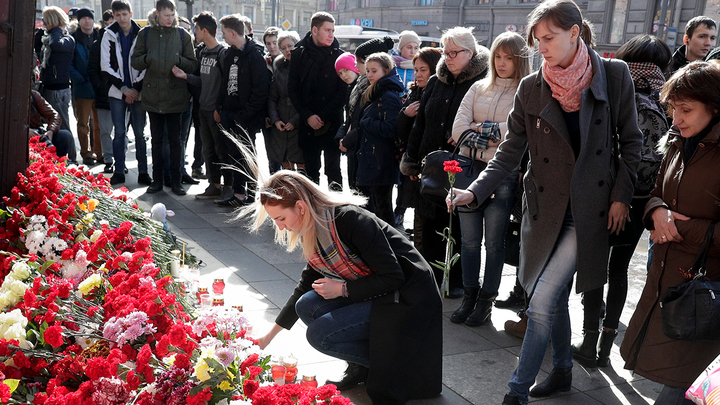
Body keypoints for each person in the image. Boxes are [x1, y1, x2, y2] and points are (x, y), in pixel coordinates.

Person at [447, 1, 642, 403]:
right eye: (538, 41)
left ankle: (515, 391)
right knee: (547, 297)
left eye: (549, 38)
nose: (543, 48)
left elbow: (632, 143)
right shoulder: (532, 86)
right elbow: (509, 152)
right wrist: (475, 190)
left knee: (539, 302)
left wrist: (622, 195)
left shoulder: (613, 75)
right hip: (543, 208)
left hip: (588, 210)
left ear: (575, 32)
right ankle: (564, 371)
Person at [250, 170, 442, 404]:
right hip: (379, 290)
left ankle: (397, 363)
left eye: (281, 219)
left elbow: (394, 277)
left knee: (320, 335)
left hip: (408, 297)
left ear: (300, 206)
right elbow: (304, 286)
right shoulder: (315, 225)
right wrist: (268, 337)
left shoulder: (349, 219)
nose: (280, 227)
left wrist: (343, 290)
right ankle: (362, 366)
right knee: (307, 305)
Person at [620, 60, 720, 405]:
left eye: (686, 109)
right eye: (673, 109)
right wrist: (657, 212)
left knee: (679, 389)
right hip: (673, 284)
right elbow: (656, 194)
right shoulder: (679, 140)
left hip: (706, 295)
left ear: (716, 107)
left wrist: (683, 229)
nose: (676, 119)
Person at [573, 34, 671, 369]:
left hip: (609, 195)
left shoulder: (618, 92)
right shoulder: (667, 100)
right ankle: (605, 344)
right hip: (644, 199)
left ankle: (588, 340)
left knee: (595, 266)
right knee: (619, 269)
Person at [401, 27, 491, 298]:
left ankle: (460, 282)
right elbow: (421, 123)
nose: (448, 57)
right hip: (431, 165)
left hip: (464, 168)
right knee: (430, 225)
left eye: (454, 53)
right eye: (445, 51)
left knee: (461, 229)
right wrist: (412, 161)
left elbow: (490, 122)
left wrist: (465, 133)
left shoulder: (484, 82)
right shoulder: (436, 82)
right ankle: (431, 278)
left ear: (470, 53)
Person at [449, 32, 530, 327]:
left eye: (509, 57)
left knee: (494, 243)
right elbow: (458, 130)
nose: (502, 62)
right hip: (468, 171)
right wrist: (488, 133)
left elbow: (513, 135)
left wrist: (477, 129)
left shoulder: (526, 91)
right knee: (469, 242)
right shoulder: (478, 87)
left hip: (503, 176)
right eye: (498, 56)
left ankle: (486, 300)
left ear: (519, 59)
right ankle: (470, 296)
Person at [132, 0, 197, 195]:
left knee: (176, 141)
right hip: (153, 95)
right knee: (157, 140)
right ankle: (157, 180)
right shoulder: (145, 33)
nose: (170, 19)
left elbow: (193, 64)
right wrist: (148, 58)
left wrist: (179, 61)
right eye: (166, 15)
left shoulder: (182, 35)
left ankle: (176, 181)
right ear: (158, 13)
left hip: (176, 94)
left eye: (172, 15)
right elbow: (135, 61)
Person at [215, 14, 272, 207]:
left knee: (247, 156)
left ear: (233, 32)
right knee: (234, 155)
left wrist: (245, 114)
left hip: (246, 117)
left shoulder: (255, 55)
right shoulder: (230, 53)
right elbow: (224, 83)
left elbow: (260, 90)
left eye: (224, 33)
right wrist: (220, 108)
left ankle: (250, 194)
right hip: (229, 114)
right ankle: (238, 194)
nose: (222, 37)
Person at [288, 12, 347, 190]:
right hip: (308, 123)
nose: (331, 35)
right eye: (327, 30)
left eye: (333, 31)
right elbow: (293, 89)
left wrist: (321, 116)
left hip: (332, 121)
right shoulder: (299, 55)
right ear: (315, 30)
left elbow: (342, 93)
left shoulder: (340, 55)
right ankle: (311, 212)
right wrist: (307, 116)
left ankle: (337, 212)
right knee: (311, 171)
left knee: (334, 171)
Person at [174, 11, 228, 200]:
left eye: (196, 29)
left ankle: (227, 186)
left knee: (221, 149)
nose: (194, 32)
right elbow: (202, 81)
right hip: (202, 109)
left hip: (215, 111)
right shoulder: (202, 52)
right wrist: (185, 76)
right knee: (208, 149)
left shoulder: (222, 53)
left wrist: (218, 109)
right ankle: (213, 186)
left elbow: (225, 86)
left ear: (205, 31)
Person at [396, 47, 442, 249]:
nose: (418, 74)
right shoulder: (415, 92)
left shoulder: (437, 92)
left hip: (431, 164)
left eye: (423, 69)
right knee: (418, 217)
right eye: (416, 70)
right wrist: (405, 115)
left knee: (427, 220)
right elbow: (399, 130)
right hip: (413, 162)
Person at [101, 0, 151, 186]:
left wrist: (136, 89)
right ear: (114, 15)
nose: (122, 18)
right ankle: (119, 171)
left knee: (139, 133)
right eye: (118, 15)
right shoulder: (109, 34)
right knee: (119, 132)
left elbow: (147, 63)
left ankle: (144, 172)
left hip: (138, 91)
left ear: (130, 13)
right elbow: (105, 66)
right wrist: (124, 88)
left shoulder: (142, 34)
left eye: (125, 14)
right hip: (117, 91)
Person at [339, 37, 394, 194]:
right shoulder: (360, 85)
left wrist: (347, 140)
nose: (355, 65)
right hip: (355, 147)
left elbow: (364, 122)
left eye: (359, 61)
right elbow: (350, 117)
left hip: (366, 151)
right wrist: (342, 136)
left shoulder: (377, 90)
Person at [356, 52, 404, 226]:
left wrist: (367, 122)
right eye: (367, 70)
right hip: (375, 159)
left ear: (386, 71)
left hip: (382, 160)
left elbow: (392, 129)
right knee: (376, 206)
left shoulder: (388, 95)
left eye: (374, 71)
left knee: (383, 208)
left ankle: (390, 246)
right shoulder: (376, 92)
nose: (369, 75)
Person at [40, 6, 76, 162]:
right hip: (50, 87)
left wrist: (56, 29)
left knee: (64, 125)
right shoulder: (47, 38)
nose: (43, 25)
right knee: (54, 124)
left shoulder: (66, 39)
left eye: (46, 22)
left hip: (59, 89)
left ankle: (73, 159)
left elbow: (56, 45)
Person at [267, 30, 305, 172]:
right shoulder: (279, 67)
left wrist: (295, 120)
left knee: (302, 167)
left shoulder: (305, 66)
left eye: (290, 45)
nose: (287, 50)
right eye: (283, 47)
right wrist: (275, 120)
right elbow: (272, 97)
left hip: (301, 122)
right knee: (286, 166)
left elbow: (308, 99)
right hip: (281, 122)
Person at [70, 7, 102, 167]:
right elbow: (69, 65)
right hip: (82, 87)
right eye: (84, 18)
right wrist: (80, 79)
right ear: (79, 20)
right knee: (83, 123)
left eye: (89, 17)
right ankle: (86, 153)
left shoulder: (100, 36)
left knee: (100, 123)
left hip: (99, 87)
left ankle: (100, 152)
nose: (87, 21)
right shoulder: (73, 39)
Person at [88, 9, 116, 174]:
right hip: (103, 94)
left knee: (121, 132)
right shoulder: (98, 44)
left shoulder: (123, 41)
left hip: (121, 93)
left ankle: (120, 161)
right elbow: (92, 69)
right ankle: (109, 159)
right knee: (105, 130)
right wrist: (101, 86)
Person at [28, 90, 75, 159]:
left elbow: (55, 116)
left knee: (65, 136)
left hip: (38, 134)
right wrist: (25, 131)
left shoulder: (33, 95)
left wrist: (51, 131)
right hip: (19, 137)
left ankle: (58, 162)